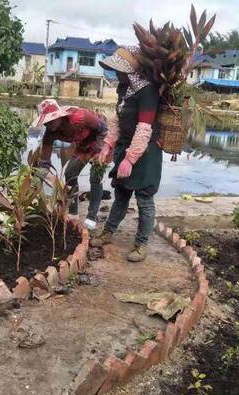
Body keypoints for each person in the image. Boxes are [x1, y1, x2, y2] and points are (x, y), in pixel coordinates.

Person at [90, 46, 163, 263]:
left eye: (119, 70)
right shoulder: (124, 88)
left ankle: (141, 244)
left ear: (131, 70)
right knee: (121, 193)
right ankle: (108, 232)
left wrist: (130, 159)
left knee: (144, 200)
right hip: (125, 145)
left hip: (145, 151)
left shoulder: (147, 91)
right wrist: (107, 145)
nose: (116, 74)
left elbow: (144, 128)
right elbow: (117, 120)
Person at [32, 100, 108, 230]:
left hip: (101, 140)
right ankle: (73, 212)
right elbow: (45, 160)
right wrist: (37, 179)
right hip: (82, 145)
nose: (48, 124)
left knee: (96, 175)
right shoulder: (50, 133)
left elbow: (103, 129)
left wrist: (99, 151)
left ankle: (92, 216)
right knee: (70, 174)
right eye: (46, 122)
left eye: (51, 120)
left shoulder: (80, 117)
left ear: (60, 117)